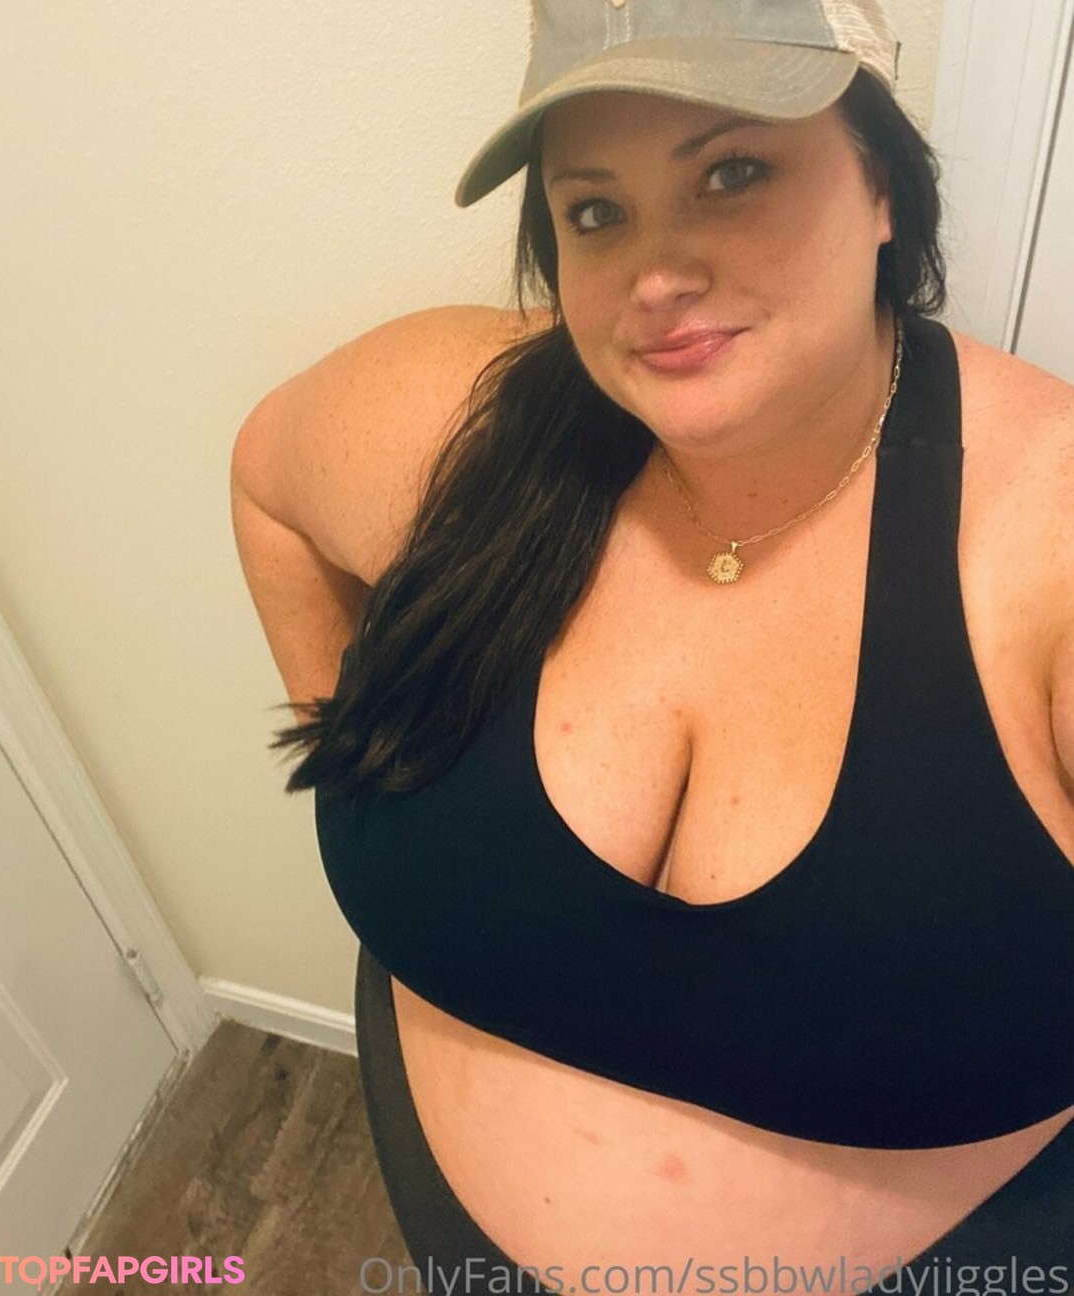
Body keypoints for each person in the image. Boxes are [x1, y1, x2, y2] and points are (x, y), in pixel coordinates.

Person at [231, 1, 1074, 1291]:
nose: (656, 275)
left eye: (732, 174)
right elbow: (268, 481)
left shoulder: (1047, 538)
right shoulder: (455, 420)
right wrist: (361, 739)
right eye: (595, 210)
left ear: (883, 187)